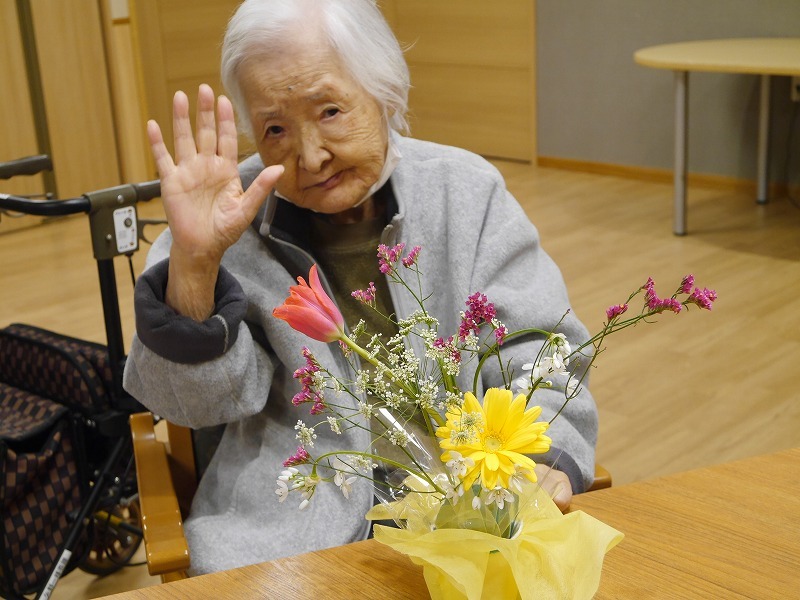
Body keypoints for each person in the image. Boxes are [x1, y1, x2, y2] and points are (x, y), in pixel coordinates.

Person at [123, 0, 598, 575]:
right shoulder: (228, 216)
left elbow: (543, 350)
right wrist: (196, 265)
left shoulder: (465, 194)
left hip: (469, 518)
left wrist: (544, 460)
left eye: (329, 111)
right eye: (275, 128)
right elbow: (192, 406)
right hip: (290, 536)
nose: (311, 155)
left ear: (386, 90)